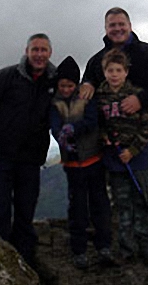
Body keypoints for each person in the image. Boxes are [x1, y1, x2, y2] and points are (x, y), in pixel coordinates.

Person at [80, 7, 148, 256]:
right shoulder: (98, 60)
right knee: (117, 190)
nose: (117, 29)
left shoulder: (147, 53)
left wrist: (141, 99)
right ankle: (121, 235)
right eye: (112, 25)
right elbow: (90, 80)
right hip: (112, 140)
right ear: (105, 29)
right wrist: (86, 83)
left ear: (129, 25)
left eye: (121, 24)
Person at [0, 33, 56, 266]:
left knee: (25, 214)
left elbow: (66, 109)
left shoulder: (53, 81)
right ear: (27, 51)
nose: (39, 54)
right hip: (0, 156)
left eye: (44, 50)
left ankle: (25, 266)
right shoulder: (6, 77)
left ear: (50, 53)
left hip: (31, 160)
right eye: (35, 50)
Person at [49, 56, 114, 269]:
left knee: (99, 204)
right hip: (72, 165)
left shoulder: (87, 99)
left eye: (69, 85)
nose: (66, 89)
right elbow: (54, 125)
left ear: (76, 84)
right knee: (77, 207)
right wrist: (60, 135)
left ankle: (104, 246)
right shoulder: (55, 103)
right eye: (62, 85)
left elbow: (91, 121)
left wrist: (73, 130)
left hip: (93, 160)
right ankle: (79, 250)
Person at [95, 48, 148, 266]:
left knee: (143, 202)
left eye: (118, 70)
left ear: (125, 72)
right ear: (104, 71)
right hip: (114, 160)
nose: (114, 74)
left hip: (139, 159)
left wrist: (132, 150)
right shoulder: (99, 96)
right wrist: (104, 137)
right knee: (122, 205)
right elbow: (98, 123)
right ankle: (126, 249)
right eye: (110, 70)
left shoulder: (137, 94)